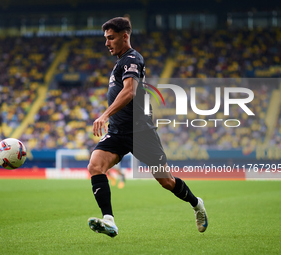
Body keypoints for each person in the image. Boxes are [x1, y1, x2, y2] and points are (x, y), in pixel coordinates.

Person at [87, 17, 208, 238]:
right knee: (95, 166)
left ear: (125, 36)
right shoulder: (119, 63)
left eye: (110, 38)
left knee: (166, 181)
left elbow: (129, 91)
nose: (106, 43)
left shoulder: (133, 59)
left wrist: (104, 114)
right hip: (117, 132)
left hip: (141, 133)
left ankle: (196, 203)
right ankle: (109, 220)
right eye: (105, 38)